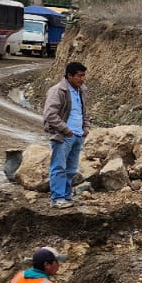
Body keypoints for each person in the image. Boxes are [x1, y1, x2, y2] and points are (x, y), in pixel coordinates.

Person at [42, 61, 89, 210]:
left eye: (83, 75)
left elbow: (83, 112)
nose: (82, 79)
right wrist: (66, 129)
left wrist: (85, 128)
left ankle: (67, 196)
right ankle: (57, 198)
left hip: (77, 135)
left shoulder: (81, 91)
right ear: (69, 75)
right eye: (79, 76)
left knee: (71, 169)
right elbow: (50, 114)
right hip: (63, 136)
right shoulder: (58, 91)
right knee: (59, 167)